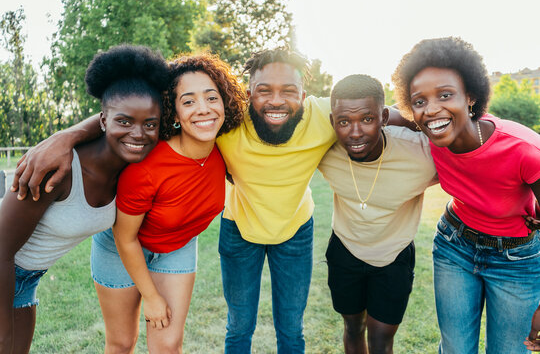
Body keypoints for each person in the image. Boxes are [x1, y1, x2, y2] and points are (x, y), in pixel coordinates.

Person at [10, 48, 410, 353]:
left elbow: (376, 112)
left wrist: (453, 124)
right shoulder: (189, 141)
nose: (276, 101)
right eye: (263, 90)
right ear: (246, 93)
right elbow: (126, 113)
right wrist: (63, 136)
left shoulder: (304, 119)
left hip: (257, 236)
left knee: (265, 331)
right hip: (183, 241)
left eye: (289, 90)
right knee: (162, 338)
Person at [0, 44, 168, 354]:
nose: (138, 134)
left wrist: (71, 132)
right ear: (104, 121)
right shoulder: (58, 168)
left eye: (150, 125)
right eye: (125, 122)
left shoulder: (133, 168)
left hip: (26, 279)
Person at [392, 37, 540, 354]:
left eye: (445, 95)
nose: (432, 109)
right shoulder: (430, 126)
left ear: (470, 96)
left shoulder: (524, 150)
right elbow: (382, 114)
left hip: (517, 260)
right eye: (419, 101)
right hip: (454, 247)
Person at [90, 53, 246, 353]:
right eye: (188, 101)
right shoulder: (146, 168)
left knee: (168, 344)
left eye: (211, 98)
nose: (203, 109)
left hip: (178, 246)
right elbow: (126, 237)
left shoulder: (227, 146)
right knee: (122, 343)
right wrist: (151, 297)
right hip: (121, 247)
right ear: (173, 114)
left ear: (224, 103)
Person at [318, 74, 437, 354]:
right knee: (353, 329)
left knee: (382, 342)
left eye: (367, 119)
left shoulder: (420, 155)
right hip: (345, 250)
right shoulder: (324, 151)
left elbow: (476, 155)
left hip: (394, 256)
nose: (355, 132)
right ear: (332, 121)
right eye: (344, 122)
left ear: (384, 117)